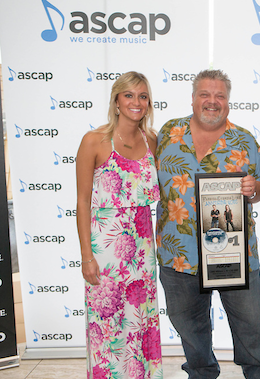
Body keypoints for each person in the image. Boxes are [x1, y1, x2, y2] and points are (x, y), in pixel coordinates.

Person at [155, 69, 260, 378]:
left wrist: (254, 189)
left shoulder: (244, 141)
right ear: (193, 98)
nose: (212, 101)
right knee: (192, 336)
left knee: (253, 330)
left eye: (220, 95)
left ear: (228, 101)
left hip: (233, 256)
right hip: (179, 257)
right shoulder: (168, 133)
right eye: (205, 95)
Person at [76, 71, 162, 379]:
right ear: (116, 101)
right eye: (129, 95)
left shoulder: (153, 141)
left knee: (140, 326)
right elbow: (83, 202)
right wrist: (87, 256)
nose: (136, 102)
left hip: (142, 251)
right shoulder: (95, 141)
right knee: (108, 329)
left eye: (142, 96)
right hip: (106, 252)